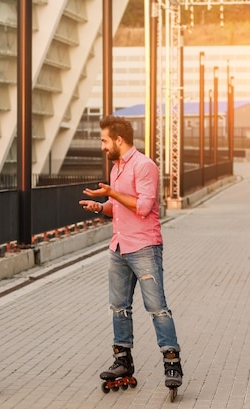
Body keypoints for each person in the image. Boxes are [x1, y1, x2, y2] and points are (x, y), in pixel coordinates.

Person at [79, 115, 183, 393]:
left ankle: (171, 360)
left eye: (104, 140)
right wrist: (100, 206)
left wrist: (112, 192)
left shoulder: (144, 166)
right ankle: (122, 359)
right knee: (118, 306)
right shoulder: (116, 169)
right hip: (119, 246)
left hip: (144, 246)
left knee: (157, 307)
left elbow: (144, 207)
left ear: (118, 140)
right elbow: (118, 207)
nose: (102, 146)